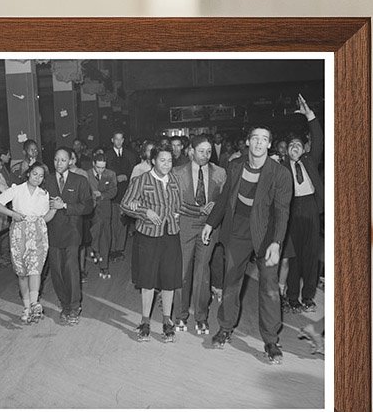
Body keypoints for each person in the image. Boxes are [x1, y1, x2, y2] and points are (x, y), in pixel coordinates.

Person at [201, 125, 292, 364]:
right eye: (255, 138)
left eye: (264, 139)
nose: (260, 143)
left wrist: (277, 242)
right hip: (238, 229)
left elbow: (283, 211)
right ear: (248, 142)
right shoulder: (235, 166)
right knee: (231, 282)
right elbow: (224, 198)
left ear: (269, 144)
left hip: (266, 232)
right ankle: (226, 327)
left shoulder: (280, 173)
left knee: (269, 288)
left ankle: (271, 340)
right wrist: (211, 223)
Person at [121, 142, 183, 342]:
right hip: (148, 236)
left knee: (169, 280)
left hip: (170, 235)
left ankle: (167, 321)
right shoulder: (141, 180)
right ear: (153, 161)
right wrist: (145, 211)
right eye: (162, 160)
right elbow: (125, 205)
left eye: (169, 160)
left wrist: (202, 211)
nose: (166, 164)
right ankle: (145, 322)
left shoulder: (175, 179)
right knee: (147, 280)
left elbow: (181, 206)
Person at [171, 134, 226, 335]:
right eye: (201, 151)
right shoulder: (177, 172)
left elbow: (225, 201)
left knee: (203, 273)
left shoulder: (220, 173)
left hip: (209, 227)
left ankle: (201, 316)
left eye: (209, 152)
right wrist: (199, 210)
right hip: (185, 226)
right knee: (182, 271)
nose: (205, 155)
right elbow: (174, 202)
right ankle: (180, 315)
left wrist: (216, 205)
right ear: (191, 151)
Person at [0, 162, 57, 323]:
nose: (37, 178)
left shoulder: (43, 194)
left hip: (38, 233)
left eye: (41, 176)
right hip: (19, 232)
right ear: (28, 173)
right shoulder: (16, 189)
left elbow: (45, 218)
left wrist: (54, 209)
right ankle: (27, 307)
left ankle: (34, 303)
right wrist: (12, 213)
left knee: (35, 268)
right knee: (22, 272)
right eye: (35, 174)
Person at [284, 94, 325, 314]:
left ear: (303, 149)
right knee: (294, 256)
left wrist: (310, 116)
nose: (295, 148)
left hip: (310, 208)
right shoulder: (281, 168)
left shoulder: (309, 160)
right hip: (290, 212)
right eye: (291, 146)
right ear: (287, 150)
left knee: (311, 256)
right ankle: (292, 297)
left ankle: (308, 296)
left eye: (298, 145)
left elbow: (318, 139)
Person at [44, 147, 94, 325]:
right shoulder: (46, 180)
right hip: (52, 232)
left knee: (71, 268)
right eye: (56, 160)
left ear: (71, 161)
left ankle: (74, 307)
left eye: (63, 160)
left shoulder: (80, 180)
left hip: (73, 232)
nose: (59, 163)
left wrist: (65, 206)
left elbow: (88, 207)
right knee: (56, 270)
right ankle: (64, 304)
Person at [86, 150, 118, 279]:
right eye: (98, 167)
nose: (100, 170)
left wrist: (103, 195)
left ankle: (104, 266)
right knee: (94, 235)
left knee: (105, 237)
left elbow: (114, 191)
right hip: (91, 211)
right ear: (93, 163)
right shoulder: (86, 174)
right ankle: (95, 250)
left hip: (105, 210)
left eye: (103, 167)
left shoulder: (110, 174)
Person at [104, 130, 133, 261]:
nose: (119, 142)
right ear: (112, 140)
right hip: (112, 194)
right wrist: (115, 177)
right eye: (116, 139)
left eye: (121, 139)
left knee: (122, 222)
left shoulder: (130, 155)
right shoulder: (107, 156)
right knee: (112, 222)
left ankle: (119, 249)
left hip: (125, 193)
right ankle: (112, 249)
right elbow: (102, 175)